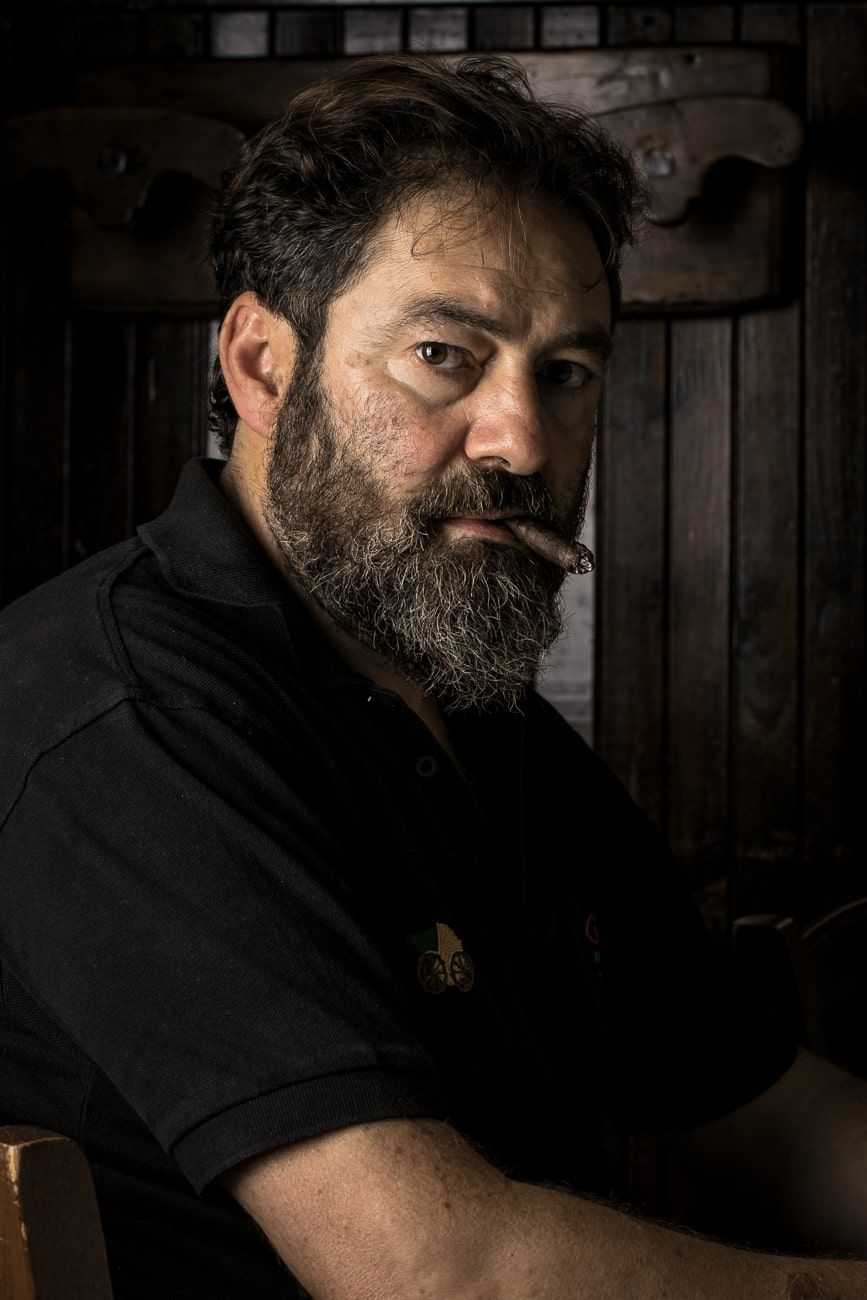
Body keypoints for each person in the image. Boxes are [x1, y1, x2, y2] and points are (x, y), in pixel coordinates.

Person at [1, 53, 865, 1299]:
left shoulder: (471, 711)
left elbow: (764, 1115)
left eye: (565, 373)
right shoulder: (125, 714)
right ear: (261, 366)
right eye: (444, 354)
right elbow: (430, 1274)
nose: (522, 439)